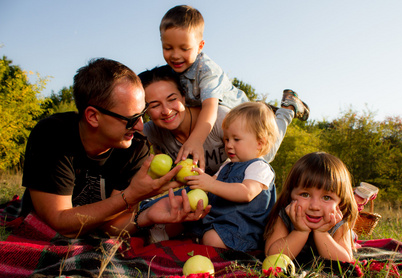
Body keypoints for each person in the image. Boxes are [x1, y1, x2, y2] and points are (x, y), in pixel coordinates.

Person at [20, 58, 209, 238]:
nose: (140, 126)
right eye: (130, 119)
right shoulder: (52, 136)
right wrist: (132, 195)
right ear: (93, 116)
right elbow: (61, 223)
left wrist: (147, 216)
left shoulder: (135, 148)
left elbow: (112, 227)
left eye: (143, 113)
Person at [159, 5, 310, 171]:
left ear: (200, 46)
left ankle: (288, 109)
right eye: (168, 48)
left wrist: (196, 140)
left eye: (184, 48)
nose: (175, 55)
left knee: (264, 154)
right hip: (224, 121)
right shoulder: (170, 72)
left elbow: (210, 109)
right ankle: (265, 108)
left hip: (239, 112)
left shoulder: (207, 70)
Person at [183, 101, 278, 252]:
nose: (228, 145)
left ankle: (213, 248)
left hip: (242, 230)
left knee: (211, 239)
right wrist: (199, 179)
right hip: (218, 221)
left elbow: (246, 193)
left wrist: (211, 185)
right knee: (184, 221)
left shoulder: (259, 167)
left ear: (260, 143)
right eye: (226, 139)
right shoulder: (227, 164)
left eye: (236, 139)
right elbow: (211, 184)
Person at [264, 152, 358, 264]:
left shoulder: (339, 221)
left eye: (327, 197)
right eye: (305, 195)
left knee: (350, 238)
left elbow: (344, 261)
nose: (314, 206)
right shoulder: (285, 215)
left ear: (340, 203)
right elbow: (271, 256)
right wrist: (300, 231)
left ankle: (354, 239)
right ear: (290, 195)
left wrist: (321, 233)